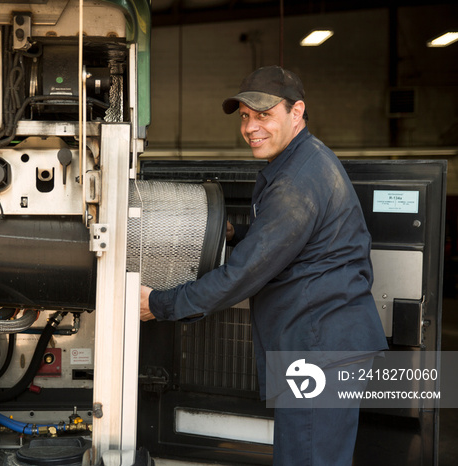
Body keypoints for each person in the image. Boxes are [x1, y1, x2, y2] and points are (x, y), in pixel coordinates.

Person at [139, 66, 388, 465]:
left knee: (306, 458)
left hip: (318, 347)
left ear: (296, 112)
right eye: (245, 116)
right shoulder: (302, 161)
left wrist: (160, 304)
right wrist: (234, 234)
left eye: (263, 114)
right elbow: (290, 243)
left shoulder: (297, 180)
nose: (251, 127)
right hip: (319, 342)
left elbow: (243, 276)